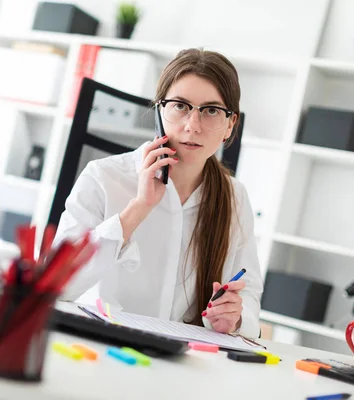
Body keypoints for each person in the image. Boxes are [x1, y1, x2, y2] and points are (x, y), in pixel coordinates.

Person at [54, 48, 263, 338]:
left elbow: (249, 292)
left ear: (230, 125)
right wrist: (138, 208)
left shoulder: (234, 197)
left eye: (212, 110)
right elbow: (57, 285)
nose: (193, 125)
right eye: (180, 105)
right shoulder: (103, 177)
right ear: (159, 111)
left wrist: (236, 317)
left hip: (184, 358)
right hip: (101, 348)